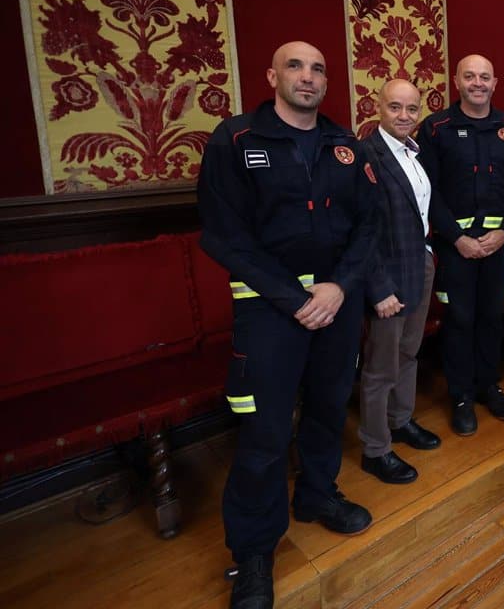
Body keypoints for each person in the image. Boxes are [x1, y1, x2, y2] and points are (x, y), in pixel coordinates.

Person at [198, 41, 377, 609]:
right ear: (271, 74)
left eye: (318, 68)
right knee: (266, 433)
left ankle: (318, 496)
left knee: (327, 409)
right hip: (270, 309)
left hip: (336, 302)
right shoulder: (236, 140)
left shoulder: (344, 144)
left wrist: (338, 286)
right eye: (296, 66)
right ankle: (253, 554)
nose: (308, 76)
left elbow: (368, 226)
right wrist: (293, 296)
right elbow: (222, 235)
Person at [419, 54, 504, 436]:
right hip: (456, 249)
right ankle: (460, 396)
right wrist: (456, 238)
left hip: (498, 246)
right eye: (469, 76)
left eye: (484, 77)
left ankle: (488, 386)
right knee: (460, 320)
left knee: (491, 318)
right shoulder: (435, 129)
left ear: (495, 83)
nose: (477, 83)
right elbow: (427, 192)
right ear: (457, 81)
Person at [358, 78, 441, 485]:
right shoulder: (366, 155)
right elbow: (359, 231)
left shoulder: (414, 152)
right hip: (387, 279)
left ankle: (400, 420)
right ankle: (376, 449)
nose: (404, 116)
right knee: (380, 367)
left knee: (409, 354)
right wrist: (378, 289)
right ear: (378, 107)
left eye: (411, 108)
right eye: (395, 107)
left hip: (419, 264)